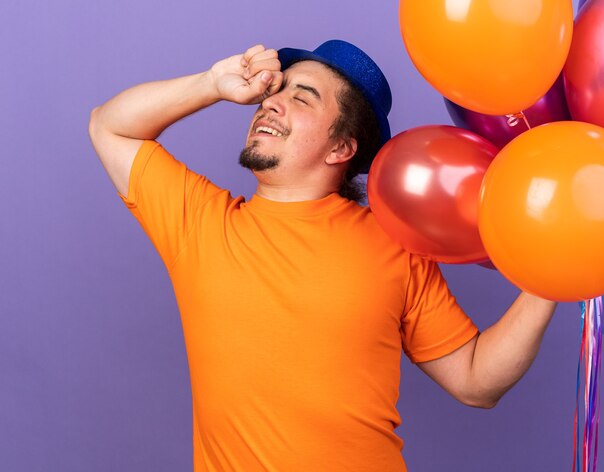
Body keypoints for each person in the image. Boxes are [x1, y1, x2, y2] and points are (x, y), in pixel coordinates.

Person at [89, 40, 557, 471]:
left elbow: (476, 381)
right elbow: (110, 127)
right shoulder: (200, 223)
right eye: (279, 89)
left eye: (302, 97)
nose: (271, 101)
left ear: (342, 147)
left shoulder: (395, 243)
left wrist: (554, 271)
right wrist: (211, 84)